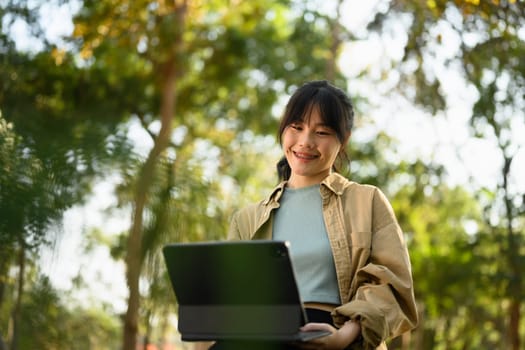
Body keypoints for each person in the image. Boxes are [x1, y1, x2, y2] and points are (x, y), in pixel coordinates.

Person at [210, 80, 418, 350]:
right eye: (297, 127)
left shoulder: (367, 201)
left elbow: (391, 286)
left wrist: (341, 338)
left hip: (336, 333)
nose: (305, 142)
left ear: (344, 141)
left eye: (322, 132)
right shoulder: (247, 219)